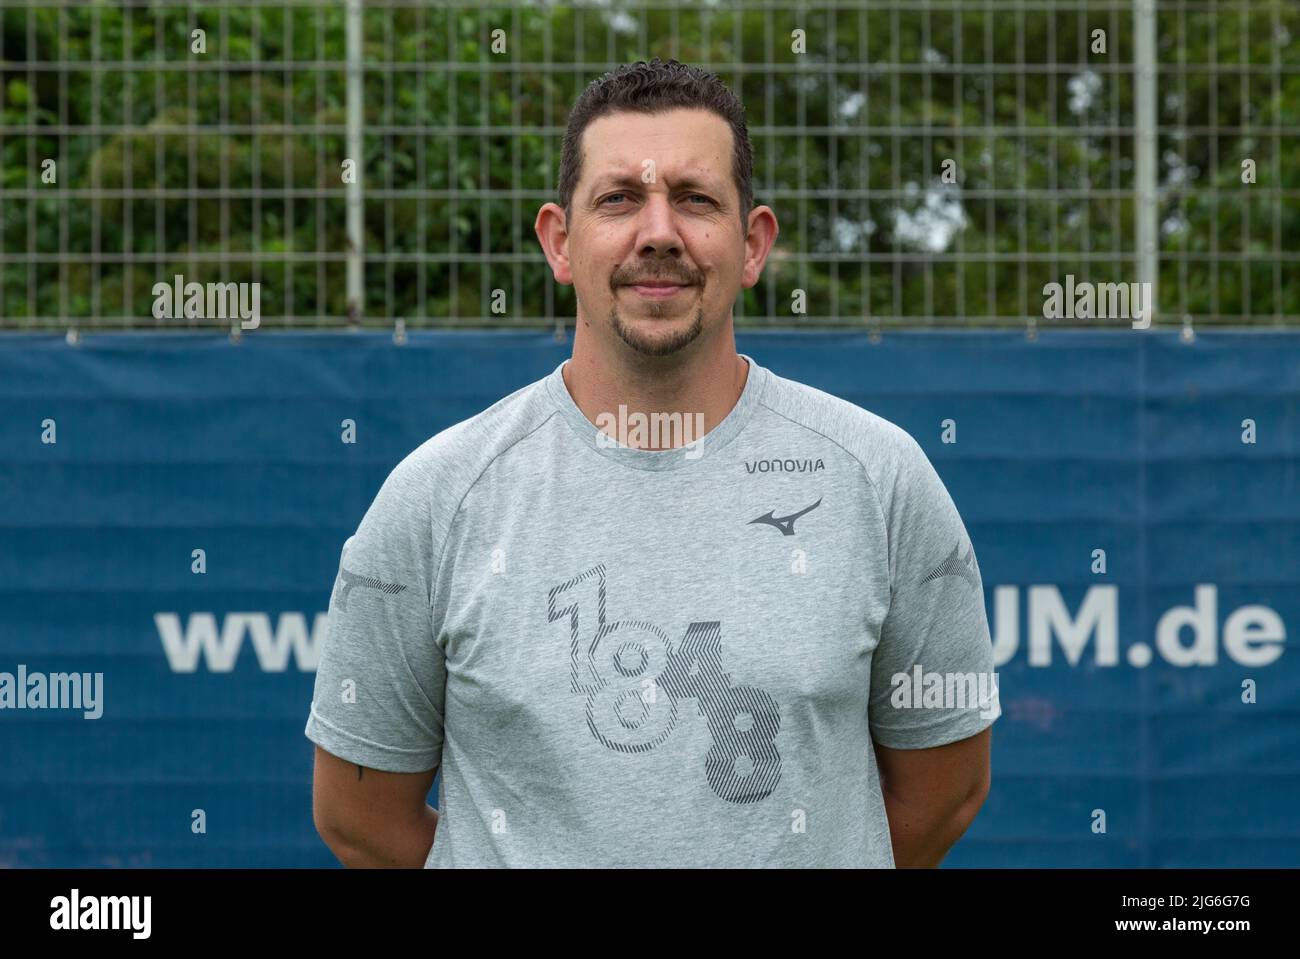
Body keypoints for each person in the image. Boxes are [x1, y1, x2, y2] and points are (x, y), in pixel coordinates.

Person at [306, 58, 997, 868]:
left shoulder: (880, 481)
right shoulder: (437, 497)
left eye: (696, 199)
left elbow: (942, 792)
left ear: (753, 244)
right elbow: (359, 816)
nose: (659, 232)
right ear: (560, 242)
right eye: (619, 199)